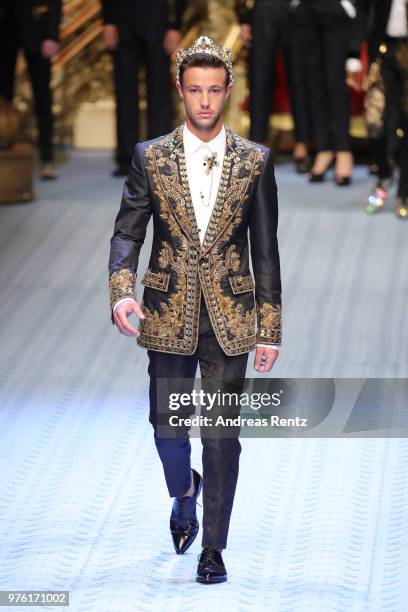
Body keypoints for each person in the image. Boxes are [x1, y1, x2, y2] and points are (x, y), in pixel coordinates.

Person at [108, 35, 282, 584]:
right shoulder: (149, 157)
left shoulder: (255, 161)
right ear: (181, 92)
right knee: (168, 428)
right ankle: (185, 489)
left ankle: (213, 549)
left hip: (232, 315)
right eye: (194, 91)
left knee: (221, 435)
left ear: (228, 91)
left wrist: (270, 328)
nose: (204, 101)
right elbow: (127, 231)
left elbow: (266, 248)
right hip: (165, 311)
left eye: (213, 90)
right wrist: (121, 291)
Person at [102, 0, 187, 176]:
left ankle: (160, 156)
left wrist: (175, 25)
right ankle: (127, 158)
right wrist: (108, 20)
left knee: (160, 93)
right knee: (124, 92)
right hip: (123, 17)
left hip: (158, 16)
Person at [236, 0, 312, 173]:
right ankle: (258, 144)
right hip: (263, 9)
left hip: (296, 10)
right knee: (260, 80)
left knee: (299, 80)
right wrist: (244, 18)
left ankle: (302, 146)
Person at [295, 0, 361, 185]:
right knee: (315, 86)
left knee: (336, 84)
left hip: (336, 10)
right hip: (307, 13)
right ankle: (324, 149)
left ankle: (343, 150)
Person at [0, 0, 61, 179]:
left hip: (37, 28)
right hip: (4, 29)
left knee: (42, 98)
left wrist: (51, 35)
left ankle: (47, 159)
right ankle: (5, 153)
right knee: (3, 99)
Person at [358, 0, 408, 218]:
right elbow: (363, 8)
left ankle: (404, 191)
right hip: (382, 52)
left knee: (405, 124)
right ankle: (384, 175)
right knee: (374, 120)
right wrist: (354, 51)